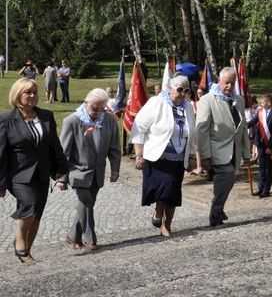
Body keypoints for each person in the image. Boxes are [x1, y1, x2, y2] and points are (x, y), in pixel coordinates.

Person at [0, 78, 68, 264]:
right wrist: (1, 183)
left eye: (34, 92)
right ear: (17, 95)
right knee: (28, 205)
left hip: (42, 173)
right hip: (19, 175)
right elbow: (1, 153)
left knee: (37, 212)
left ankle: (27, 250)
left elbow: (55, 147)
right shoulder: (6, 120)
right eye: (27, 92)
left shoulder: (46, 116)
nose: (31, 96)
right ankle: (20, 241)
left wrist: (61, 173)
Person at [131, 75, 196, 237]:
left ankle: (166, 225)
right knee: (166, 187)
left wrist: (193, 156)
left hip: (179, 158)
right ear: (169, 89)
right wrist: (139, 153)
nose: (182, 93)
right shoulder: (156, 103)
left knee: (173, 192)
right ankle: (158, 212)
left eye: (186, 90)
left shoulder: (188, 107)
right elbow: (139, 127)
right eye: (179, 89)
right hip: (157, 157)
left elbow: (193, 133)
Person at [60, 88, 121, 252]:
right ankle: (90, 239)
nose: (98, 112)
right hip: (78, 173)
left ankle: (73, 235)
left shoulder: (109, 120)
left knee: (85, 206)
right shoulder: (72, 121)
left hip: (97, 173)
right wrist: (62, 178)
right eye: (95, 108)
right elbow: (63, 152)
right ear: (86, 103)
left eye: (102, 109)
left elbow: (114, 147)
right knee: (86, 203)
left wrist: (115, 168)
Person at [195, 67, 250, 227]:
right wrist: (204, 155)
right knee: (226, 174)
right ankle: (216, 210)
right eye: (226, 83)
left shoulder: (238, 100)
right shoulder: (208, 100)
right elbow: (201, 129)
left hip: (235, 149)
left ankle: (218, 209)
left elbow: (242, 127)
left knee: (231, 177)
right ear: (219, 81)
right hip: (216, 148)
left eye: (232, 83)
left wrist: (246, 152)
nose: (229, 87)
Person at [248, 94, 272, 197]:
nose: (261, 104)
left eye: (263, 102)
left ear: (269, 103)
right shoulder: (260, 112)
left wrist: (270, 147)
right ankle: (260, 188)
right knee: (261, 167)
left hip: (269, 145)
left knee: (268, 168)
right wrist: (244, 125)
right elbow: (253, 122)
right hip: (260, 144)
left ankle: (266, 190)